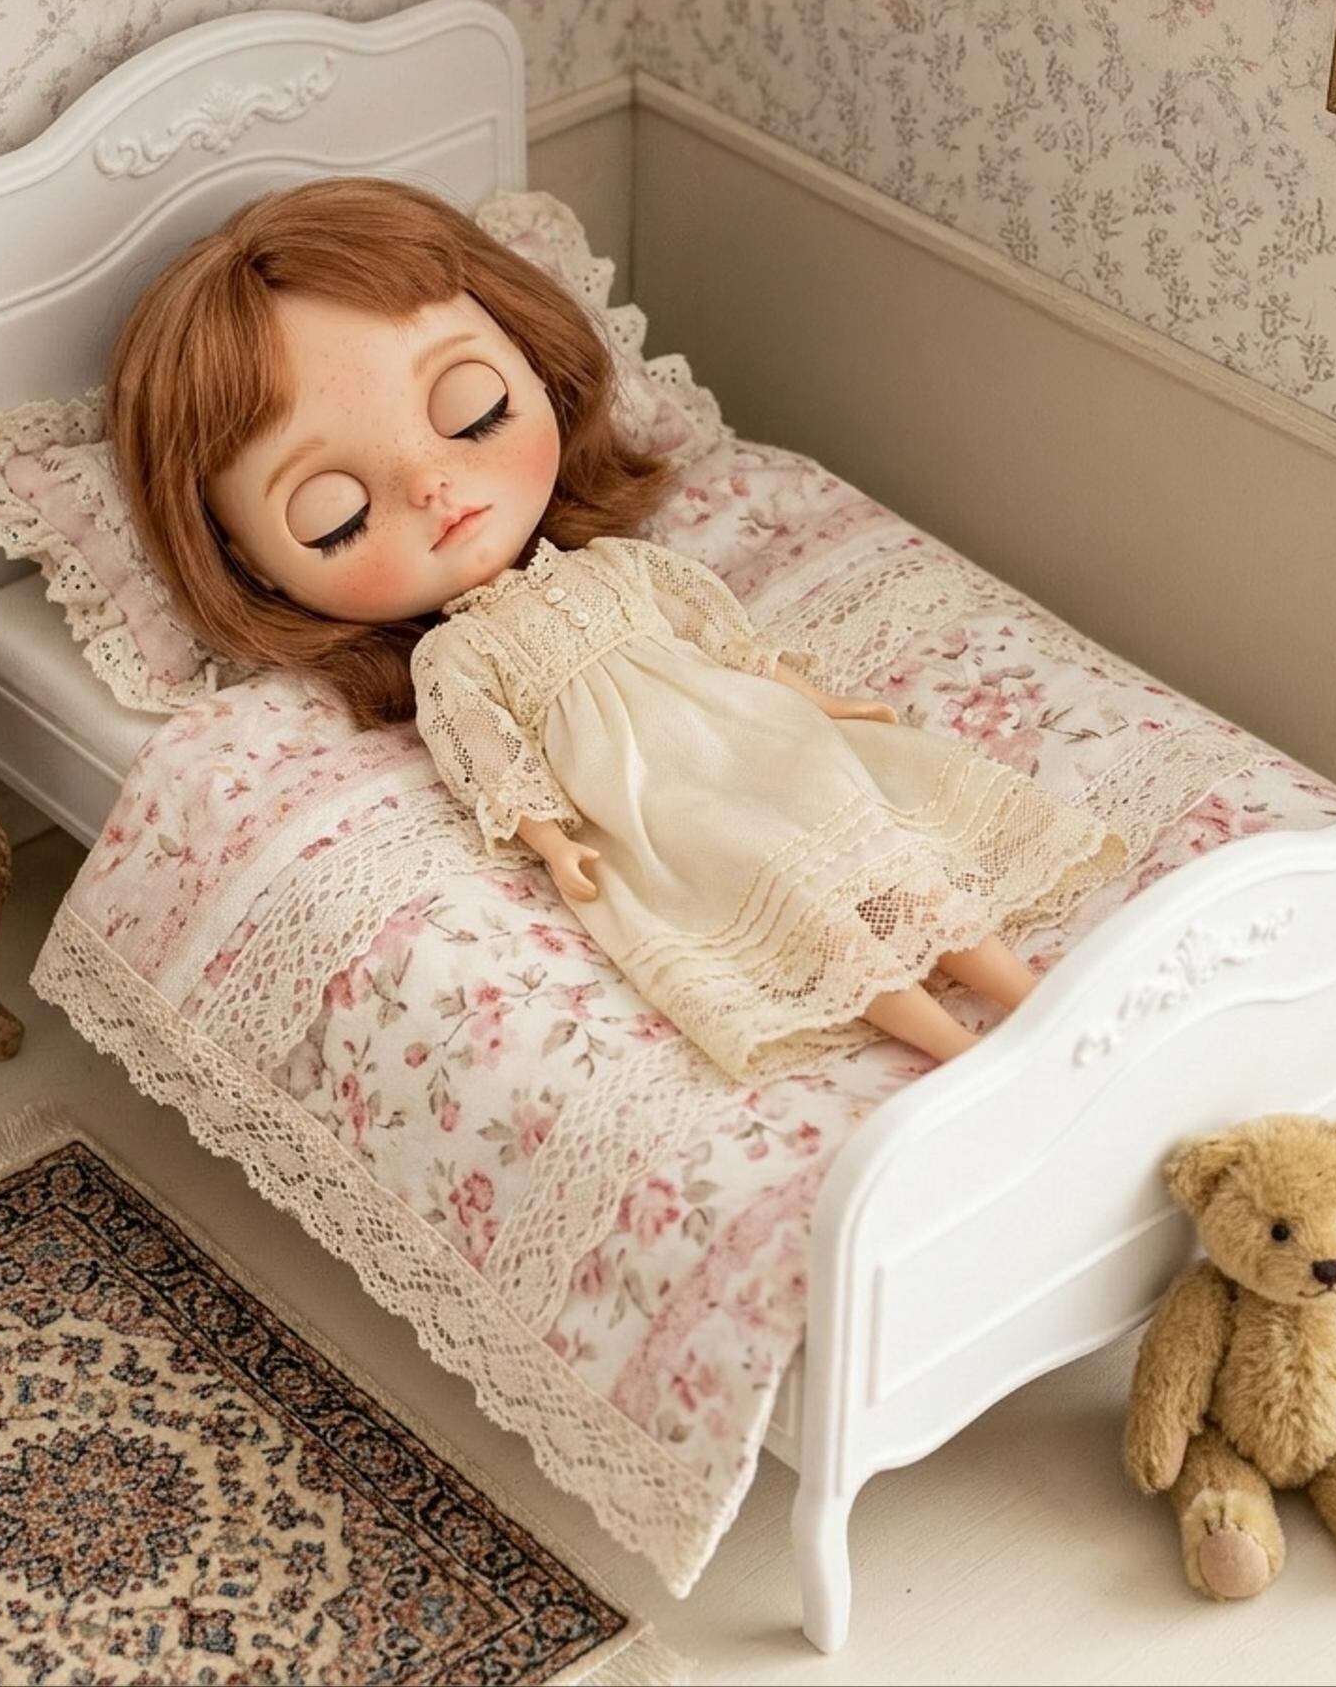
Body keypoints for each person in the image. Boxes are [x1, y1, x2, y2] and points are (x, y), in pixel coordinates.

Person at [109, 177, 1126, 1071]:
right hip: (662, 805)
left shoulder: (612, 568)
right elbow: (491, 762)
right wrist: (555, 846)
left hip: (753, 739)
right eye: (335, 513)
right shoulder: (453, 659)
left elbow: (722, 639)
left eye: (470, 412)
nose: (433, 487)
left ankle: (1036, 1005)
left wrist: (818, 698)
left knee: (886, 865)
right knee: (813, 922)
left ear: (532, 364)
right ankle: (960, 1056)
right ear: (248, 562)